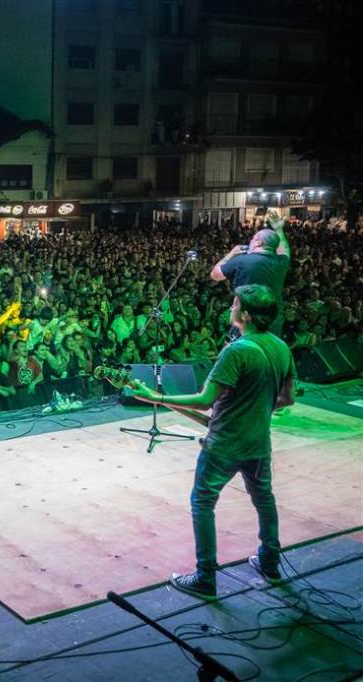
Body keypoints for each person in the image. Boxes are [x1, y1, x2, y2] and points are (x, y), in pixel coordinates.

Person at [128, 284, 295, 600]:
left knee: (202, 503)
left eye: (234, 305)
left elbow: (205, 401)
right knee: (264, 499)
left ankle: (206, 578)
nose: (230, 309)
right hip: (259, 444)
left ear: (245, 314)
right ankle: (270, 563)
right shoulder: (281, 347)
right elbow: (286, 399)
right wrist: (252, 408)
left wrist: (156, 396)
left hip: (223, 446)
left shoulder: (237, 351)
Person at [210, 213, 291, 339]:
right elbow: (285, 249)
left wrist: (231, 254)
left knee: (243, 353)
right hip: (273, 320)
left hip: (246, 320)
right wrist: (279, 229)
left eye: (252, 239)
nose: (251, 242)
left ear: (258, 242)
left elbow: (215, 275)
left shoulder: (242, 261)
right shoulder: (281, 262)